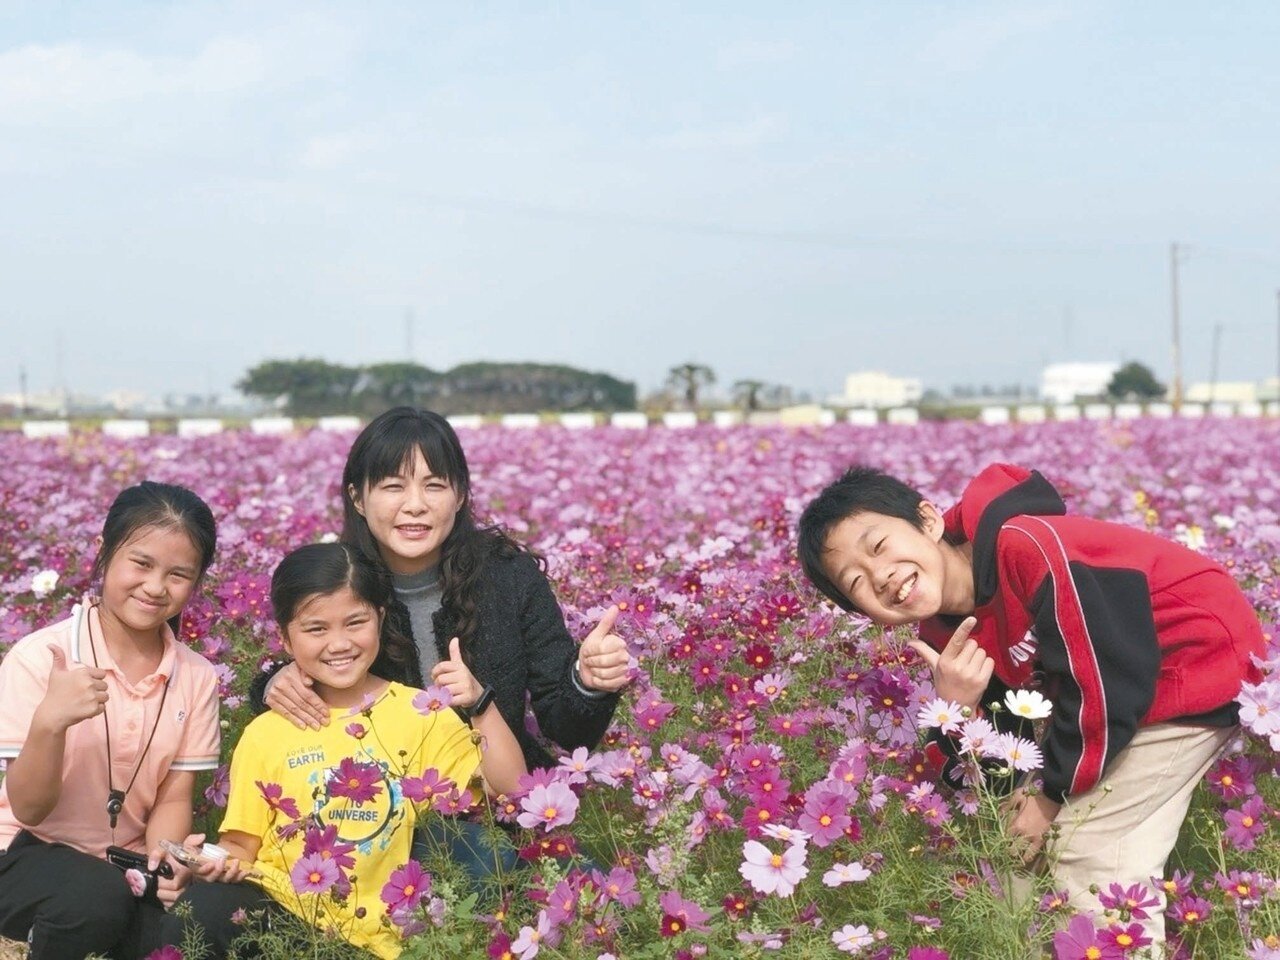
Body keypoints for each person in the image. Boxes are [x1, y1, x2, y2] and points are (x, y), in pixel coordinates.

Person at [797, 462, 1265, 946]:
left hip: (1189, 667)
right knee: (1012, 845)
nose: (880, 576)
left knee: (1088, 853)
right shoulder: (943, 631)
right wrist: (958, 706)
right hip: (1114, 698)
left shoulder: (1027, 547)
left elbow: (1108, 678)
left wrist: (1049, 795)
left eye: (879, 546)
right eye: (855, 582)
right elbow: (1006, 743)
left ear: (929, 520)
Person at [249, 408, 630, 875]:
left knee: (594, 893)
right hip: (383, 824)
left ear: (460, 495)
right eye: (392, 486)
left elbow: (567, 729)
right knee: (485, 864)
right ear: (359, 498)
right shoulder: (344, 580)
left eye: (434, 485)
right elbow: (305, 657)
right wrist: (272, 683)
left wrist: (588, 682)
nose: (415, 505)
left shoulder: (508, 576)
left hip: (509, 806)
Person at [165, 542, 526, 959]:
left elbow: (511, 790)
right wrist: (214, 861)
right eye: (316, 629)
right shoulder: (266, 732)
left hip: (379, 934)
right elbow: (242, 846)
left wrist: (480, 703)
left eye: (355, 622)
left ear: (381, 619)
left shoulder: (422, 714)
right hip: (285, 913)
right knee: (194, 916)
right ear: (284, 637)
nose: (338, 644)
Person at [0, 482, 222, 959]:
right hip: (21, 850)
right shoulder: (42, 658)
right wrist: (49, 724)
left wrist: (167, 861)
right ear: (103, 552)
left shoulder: (196, 675)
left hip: (123, 863)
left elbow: (173, 795)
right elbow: (29, 809)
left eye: (178, 574)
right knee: (94, 899)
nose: (156, 587)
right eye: (141, 563)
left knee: (192, 919)